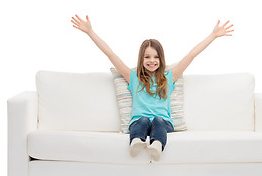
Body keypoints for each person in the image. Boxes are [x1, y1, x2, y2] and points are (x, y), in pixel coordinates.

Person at [71, 14, 234, 161]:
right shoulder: (133, 78)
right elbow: (111, 55)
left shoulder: (169, 77)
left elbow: (191, 55)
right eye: (147, 57)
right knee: (142, 120)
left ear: (161, 59)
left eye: (156, 57)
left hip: (163, 123)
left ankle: (157, 145)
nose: (152, 60)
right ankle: (136, 142)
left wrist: (213, 36)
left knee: (158, 120)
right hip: (138, 123)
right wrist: (90, 32)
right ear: (141, 59)